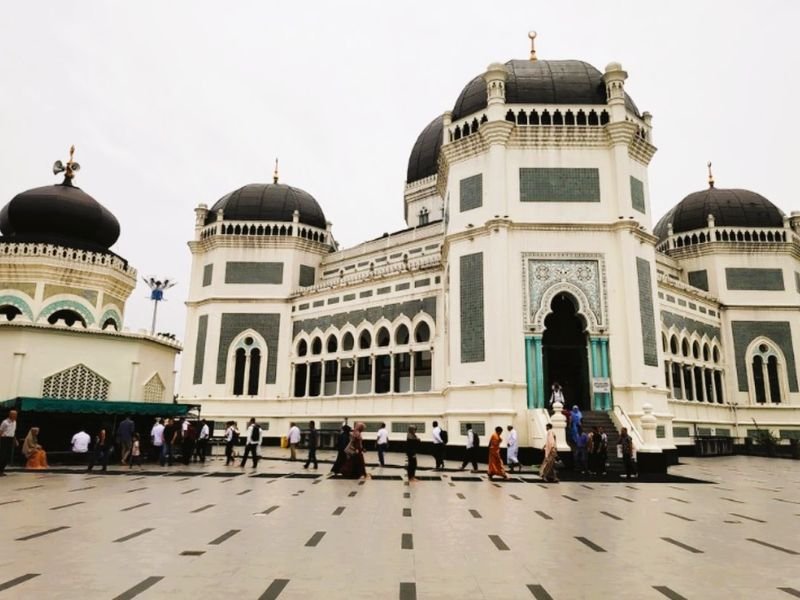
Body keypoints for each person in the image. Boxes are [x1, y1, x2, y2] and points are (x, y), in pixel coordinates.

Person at [0, 409, 18, 476]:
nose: (16, 416)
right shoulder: (5, 422)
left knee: (7, 456)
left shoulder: (15, 422)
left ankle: (1, 470)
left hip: (10, 439)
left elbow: (13, 432)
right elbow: (0, 432)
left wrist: (15, 440)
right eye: (14, 415)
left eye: (16, 415)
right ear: (10, 415)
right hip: (4, 439)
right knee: (2, 456)